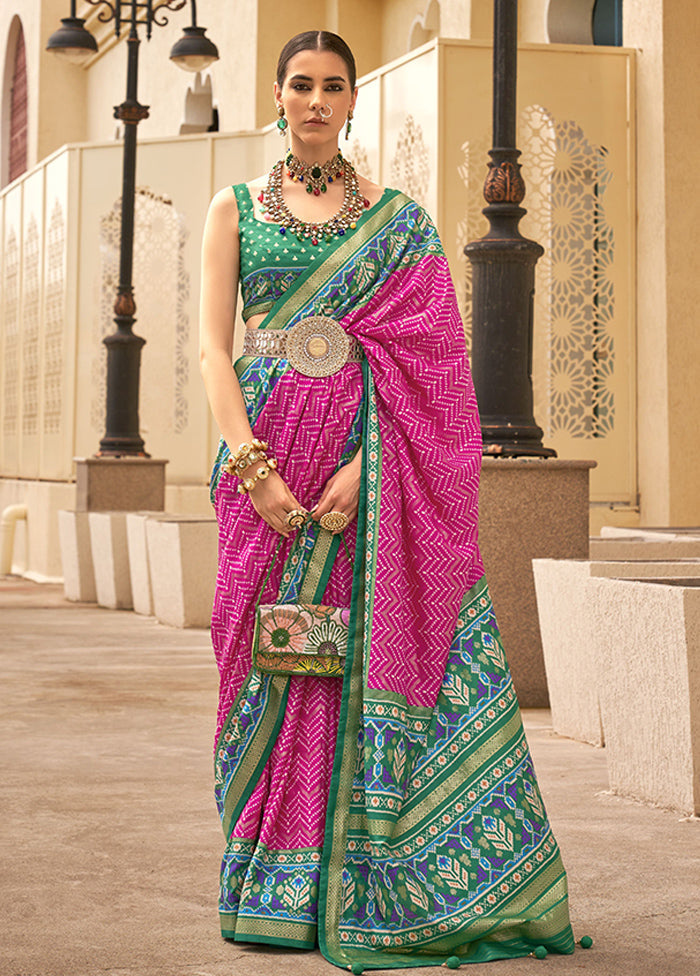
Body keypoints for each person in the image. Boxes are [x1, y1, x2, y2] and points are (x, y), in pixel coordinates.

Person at [199, 29, 575, 971]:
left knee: (358, 661)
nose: (315, 101)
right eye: (299, 85)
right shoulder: (234, 208)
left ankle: (390, 882)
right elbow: (213, 350)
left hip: (374, 474)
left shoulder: (401, 222)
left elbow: (439, 369)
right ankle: (270, 877)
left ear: (354, 101)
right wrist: (256, 470)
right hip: (264, 462)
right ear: (277, 96)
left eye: (332, 87)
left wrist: (367, 471)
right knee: (272, 657)